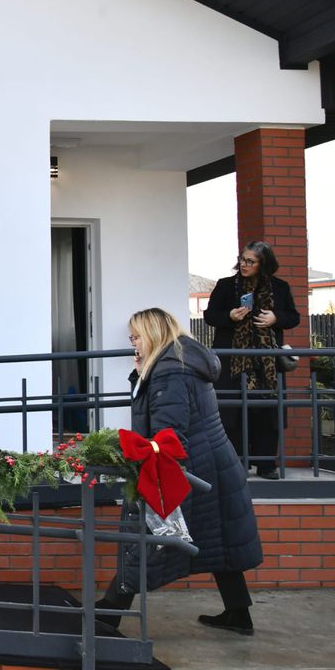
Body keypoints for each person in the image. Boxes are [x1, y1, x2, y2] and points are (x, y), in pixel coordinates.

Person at [98, 308, 263, 635]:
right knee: (219, 538)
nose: (133, 343)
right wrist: (140, 374)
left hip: (197, 466)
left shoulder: (169, 373)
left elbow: (168, 432)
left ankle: (110, 610)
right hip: (213, 463)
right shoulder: (180, 362)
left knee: (149, 535)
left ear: (153, 334)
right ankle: (238, 614)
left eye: (136, 337)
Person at [203, 241, 301, 479]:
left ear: (263, 264)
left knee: (267, 411)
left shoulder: (279, 287)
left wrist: (275, 318)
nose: (244, 265)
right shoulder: (227, 286)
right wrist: (229, 315)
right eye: (242, 259)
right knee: (232, 410)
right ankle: (237, 462)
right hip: (233, 363)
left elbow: (293, 317)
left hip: (267, 363)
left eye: (250, 261)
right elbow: (210, 316)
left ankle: (266, 464)